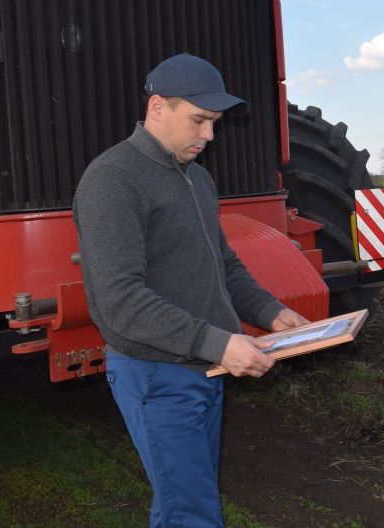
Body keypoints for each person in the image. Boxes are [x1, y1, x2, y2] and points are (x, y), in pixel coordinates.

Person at [73, 53, 309, 528]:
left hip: (202, 369)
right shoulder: (112, 180)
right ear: (157, 107)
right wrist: (220, 341)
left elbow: (221, 262)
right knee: (193, 513)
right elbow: (120, 302)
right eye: (199, 120)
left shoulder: (196, 177)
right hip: (155, 374)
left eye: (214, 122)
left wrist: (269, 310)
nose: (209, 135)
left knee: (181, 505)